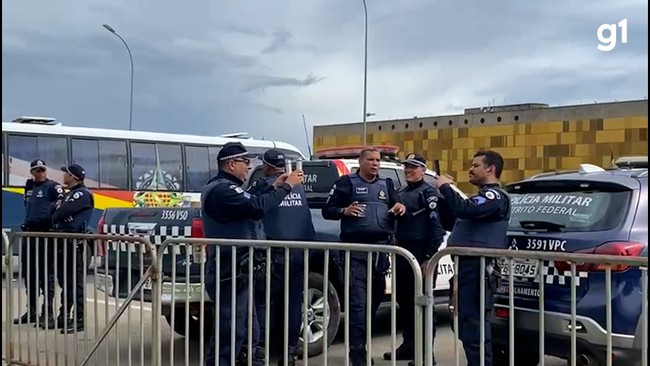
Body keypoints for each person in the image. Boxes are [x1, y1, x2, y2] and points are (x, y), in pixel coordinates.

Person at [201, 142, 304, 366]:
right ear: (231, 164)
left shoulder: (228, 188)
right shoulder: (222, 190)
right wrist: (287, 188)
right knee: (230, 333)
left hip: (240, 270)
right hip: (229, 271)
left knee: (250, 332)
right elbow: (256, 206)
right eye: (245, 162)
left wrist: (273, 186)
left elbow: (249, 198)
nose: (249, 167)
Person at [322, 147, 406, 366]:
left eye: (378, 160)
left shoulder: (387, 185)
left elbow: (397, 206)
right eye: (370, 159)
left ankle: (362, 346)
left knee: (373, 305)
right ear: (361, 162)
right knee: (358, 306)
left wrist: (399, 207)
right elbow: (327, 210)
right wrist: (344, 211)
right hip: (355, 253)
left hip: (380, 255)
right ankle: (357, 355)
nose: (375, 163)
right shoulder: (346, 183)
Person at [431, 150, 510, 366]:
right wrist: (442, 198)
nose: (470, 169)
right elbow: (452, 221)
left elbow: (465, 209)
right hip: (465, 267)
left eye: (476, 165)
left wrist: (446, 187)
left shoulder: (495, 196)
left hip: (478, 268)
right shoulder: (478, 198)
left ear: (490, 169)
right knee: (465, 323)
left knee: (475, 325)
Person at [248, 149, 316, 366]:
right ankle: (289, 354)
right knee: (293, 303)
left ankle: (260, 351)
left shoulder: (266, 187)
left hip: (274, 252)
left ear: (267, 166)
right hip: (299, 252)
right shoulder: (299, 186)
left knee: (265, 303)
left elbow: (252, 206)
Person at [383, 153, 445, 366]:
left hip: (421, 253)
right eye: (406, 167)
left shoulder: (429, 193)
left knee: (423, 304)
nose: (408, 170)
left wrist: (429, 257)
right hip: (403, 252)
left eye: (413, 167)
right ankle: (410, 345)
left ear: (422, 169)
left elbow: (436, 228)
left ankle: (427, 354)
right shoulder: (401, 192)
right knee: (405, 302)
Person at [14, 159, 63, 326]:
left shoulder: (52, 187)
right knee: (29, 273)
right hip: (30, 232)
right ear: (32, 172)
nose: (41, 172)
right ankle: (32, 311)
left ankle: (47, 312)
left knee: (46, 273)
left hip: (45, 233)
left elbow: (60, 203)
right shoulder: (29, 187)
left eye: (43, 170)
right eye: (37, 170)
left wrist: (50, 218)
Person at [52, 164, 95, 334]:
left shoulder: (81, 194)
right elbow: (54, 210)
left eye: (66, 173)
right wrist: (56, 210)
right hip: (64, 242)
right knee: (64, 281)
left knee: (74, 283)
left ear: (74, 177)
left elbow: (61, 212)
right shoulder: (69, 194)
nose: (63, 175)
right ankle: (64, 315)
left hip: (74, 243)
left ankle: (79, 319)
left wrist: (57, 210)